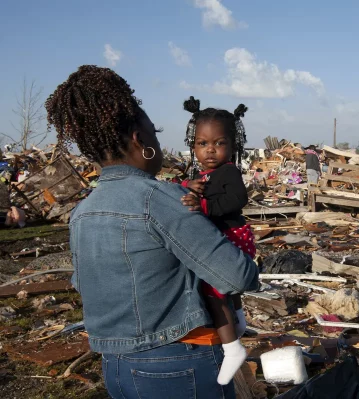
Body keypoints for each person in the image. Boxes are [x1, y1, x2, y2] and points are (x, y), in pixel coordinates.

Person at [45, 65, 258, 399]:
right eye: (155, 133)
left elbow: (89, 286)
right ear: (140, 140)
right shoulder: (161, 199)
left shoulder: (83, 211)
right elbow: (236, 275)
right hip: (178, 362)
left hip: (115, 367)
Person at [180, 97, 255, 385]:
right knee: (225, 289)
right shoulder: (204, 174)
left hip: (232, 237)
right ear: (193, 145)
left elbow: (238, 199)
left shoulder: (229, 172)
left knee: (213, 291)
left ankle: (232, 347)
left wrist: (204, 206)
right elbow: (193, 192)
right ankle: (238, 320)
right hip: (224, 238)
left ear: (233, 146)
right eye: (202, 144)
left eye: (219, 143)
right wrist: (189, 187)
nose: (210, 150)